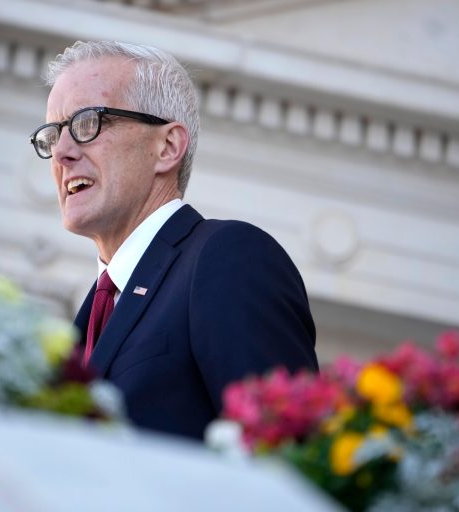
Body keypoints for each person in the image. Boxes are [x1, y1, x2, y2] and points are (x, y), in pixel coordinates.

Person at [30, 40, 318, 440]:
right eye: (52, 135)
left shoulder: (227, 258)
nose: (62, 152)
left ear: (167, 147)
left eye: (87, 123)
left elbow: (284, 447)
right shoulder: (90, 317)